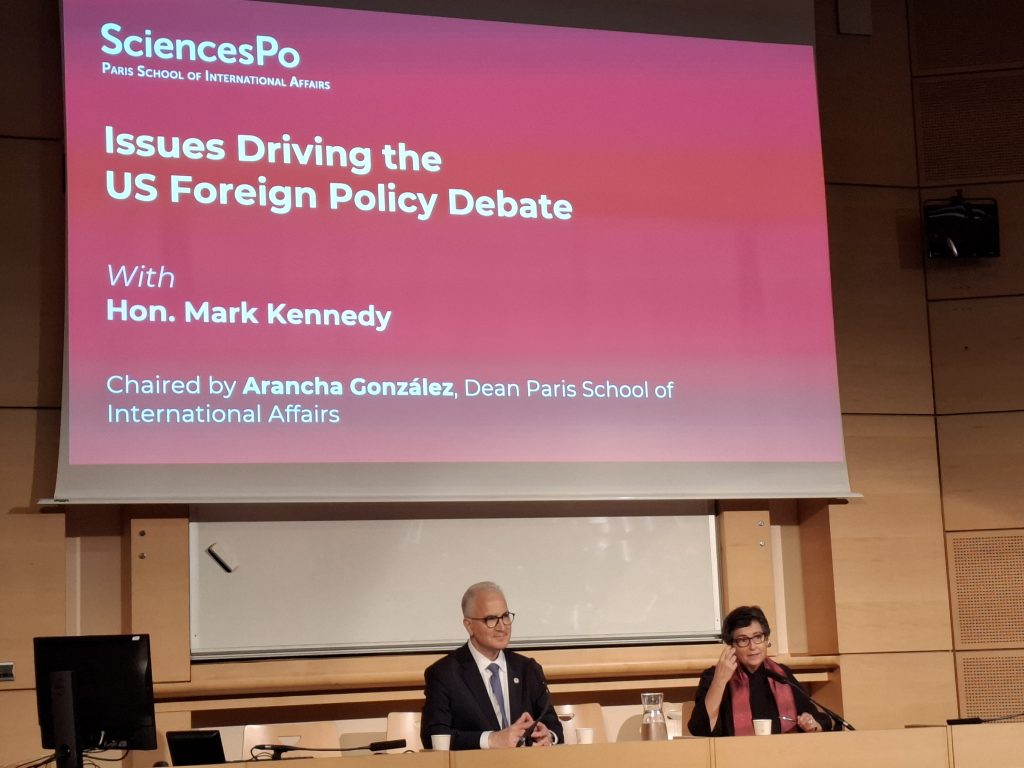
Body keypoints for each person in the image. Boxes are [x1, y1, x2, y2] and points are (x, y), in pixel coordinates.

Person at [420, 581, 563, 750]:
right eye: (491, 619)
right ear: (469, 625)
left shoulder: (528, 669)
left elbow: (554, 727)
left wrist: (548, 736)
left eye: (505, 616)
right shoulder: (445, 674)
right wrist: (491, 740)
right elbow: (434, 736)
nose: (502, 626)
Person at [688, 605, 831, 736]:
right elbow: (701, 729)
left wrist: (811, 723)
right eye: (743, 640)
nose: (753, 646)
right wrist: (720, 680)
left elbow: (815, 717)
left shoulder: (781, 675)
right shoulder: (714, 676)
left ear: (766, 639)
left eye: (757, 637)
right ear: (731, 645)